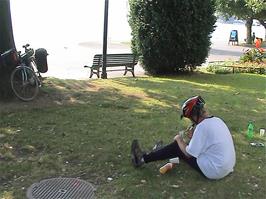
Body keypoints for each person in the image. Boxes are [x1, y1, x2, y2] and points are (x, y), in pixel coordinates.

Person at [131, 96, 236, 180]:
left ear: (194, 116)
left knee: (177, 146)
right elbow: (210, 143)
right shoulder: (217, 120)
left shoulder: (202, 127)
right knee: (181, 147)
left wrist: (178, 139)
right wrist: (193, 137)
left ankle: (142, 159)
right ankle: (161, 152)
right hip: (227, 166)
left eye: (190, 118)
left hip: (214, 171)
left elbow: (189, 153)